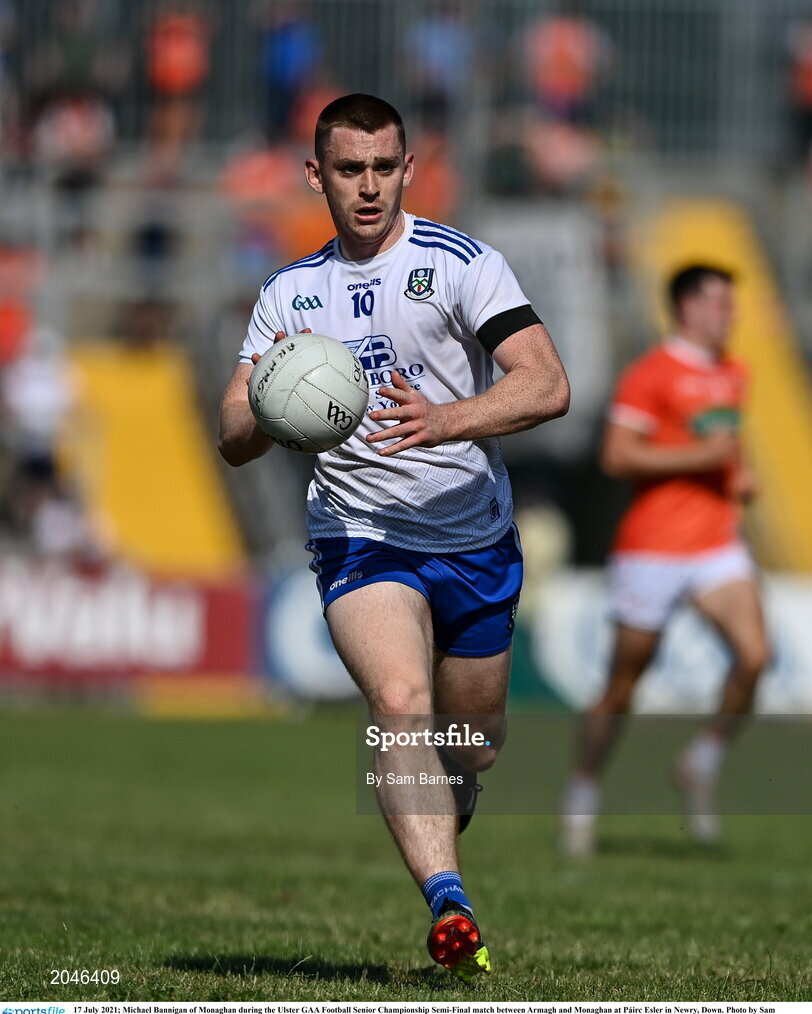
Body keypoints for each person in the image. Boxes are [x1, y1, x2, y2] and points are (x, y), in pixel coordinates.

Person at [218, 93, 569, 980]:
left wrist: (446, 421)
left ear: (408, 168)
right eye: (348, 169)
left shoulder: (462, 264)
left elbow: (546, 383)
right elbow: (231, 438)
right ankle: (449, 904)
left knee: (471, 746)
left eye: (384, 167)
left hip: (474, 537)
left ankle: (446, 830)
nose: (368, 186)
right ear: (316, 176)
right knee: (401, 704)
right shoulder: (289, 294)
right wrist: (273, 402)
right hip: (360, 534)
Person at [560, 265, 769, 857]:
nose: (731, 314)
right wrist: (698, 455)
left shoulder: (734, 372)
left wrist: (739, 475)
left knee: (756, 657)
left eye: (732, 303)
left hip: (716, 544)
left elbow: (728, 445)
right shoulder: (650, 374)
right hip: (652, 548)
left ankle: (701, 761)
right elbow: (617, 456)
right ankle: (582, 792)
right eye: (720, 304)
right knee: (622, 687)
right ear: (686, 308)